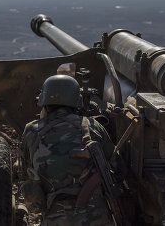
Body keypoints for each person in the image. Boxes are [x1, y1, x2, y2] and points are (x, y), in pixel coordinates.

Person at [20, 74, 122, 226]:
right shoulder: (92, 126)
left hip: (54, 217)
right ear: (76, 102)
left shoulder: (31, 131)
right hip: (96, 217)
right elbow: (118, 166)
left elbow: (25, 171)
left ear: (45, 104)